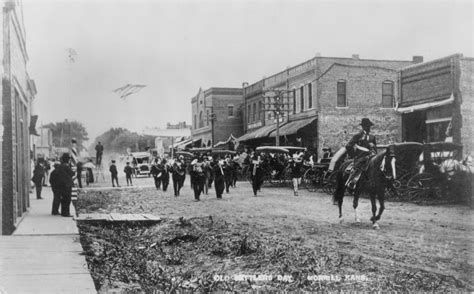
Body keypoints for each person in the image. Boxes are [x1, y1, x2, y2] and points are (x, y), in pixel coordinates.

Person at [345, 118, 377, 190]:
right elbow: (348, 146)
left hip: (371, 156)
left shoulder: (372, 136)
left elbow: (375, 148)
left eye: (369, 126)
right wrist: (354, 155)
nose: (368, 127)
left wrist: (374, 151)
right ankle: (352, 182)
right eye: (366, 126)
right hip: (361, 157)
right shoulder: (358, 136)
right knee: (360, 166)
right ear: (363, 127)